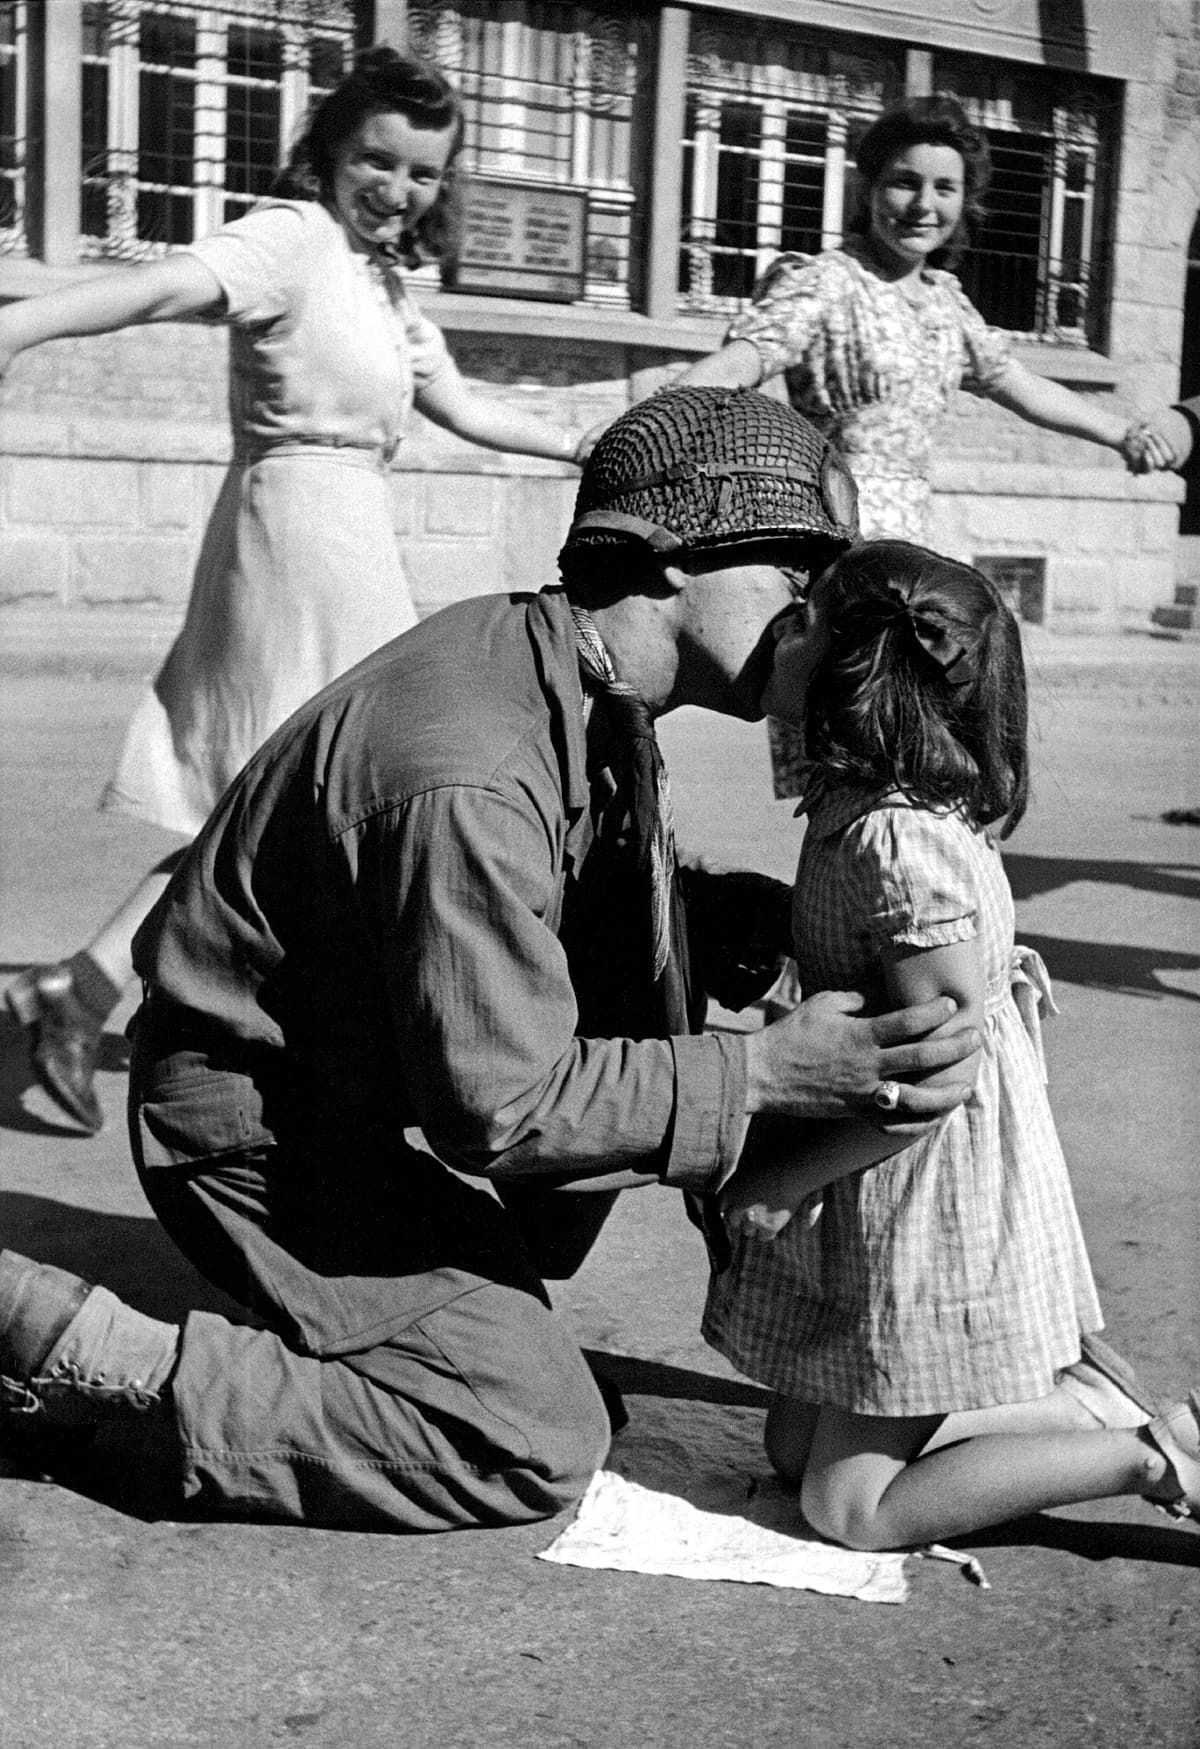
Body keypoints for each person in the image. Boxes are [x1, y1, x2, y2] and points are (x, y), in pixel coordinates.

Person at [0, 386, 991, 1535]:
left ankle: (416, 1331)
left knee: (612, 1138)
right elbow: (503, 1110)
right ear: (671, 561)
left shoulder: (565, 670)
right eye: (794, 576)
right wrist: (767, 1074)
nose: (812, 619)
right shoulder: (470, 761)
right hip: (262, 1127)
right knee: (530, 1436)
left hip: (357, 1083)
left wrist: (766, 928)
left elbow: (573, 895)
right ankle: (81, 1351)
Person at [3, 46, 587, 1136]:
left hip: (351, 536)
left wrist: (584, 448)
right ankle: (143, 1006)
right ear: (328, 150)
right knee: (287, 797)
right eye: (377, 160)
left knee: (287, 803)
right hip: (285, 536)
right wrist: (18, 325)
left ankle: (83, 992)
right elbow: (163, 287)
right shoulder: (292, 239)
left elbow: (460, 406)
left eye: (422, 174)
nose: (397, 189)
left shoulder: (384, 282)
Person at [702, 540, 1200, 1550]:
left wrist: (781, 1179)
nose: (777, 632)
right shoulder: (862, 802)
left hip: (923, 1175)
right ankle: (1076, 1400)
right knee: (794, 1451)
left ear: (853, 675)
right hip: (891, 1149)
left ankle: (1150, 1455)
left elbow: (941, 1072)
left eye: (802, 622)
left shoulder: (900, 841)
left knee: (843, 1510)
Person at [679, 91, 1153, 800]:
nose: (922, 204)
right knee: (844, 762)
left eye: (944, 187)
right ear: (868, 185)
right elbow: (745, 358)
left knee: (916, 761)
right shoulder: (827, 282)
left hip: (917, 565)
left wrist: (1122, 432)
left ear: (966, 200)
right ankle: (833, 903)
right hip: (840, 550)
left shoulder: (945, 301)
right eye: (904, 181)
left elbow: (1018, 383)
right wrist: (661, 415)